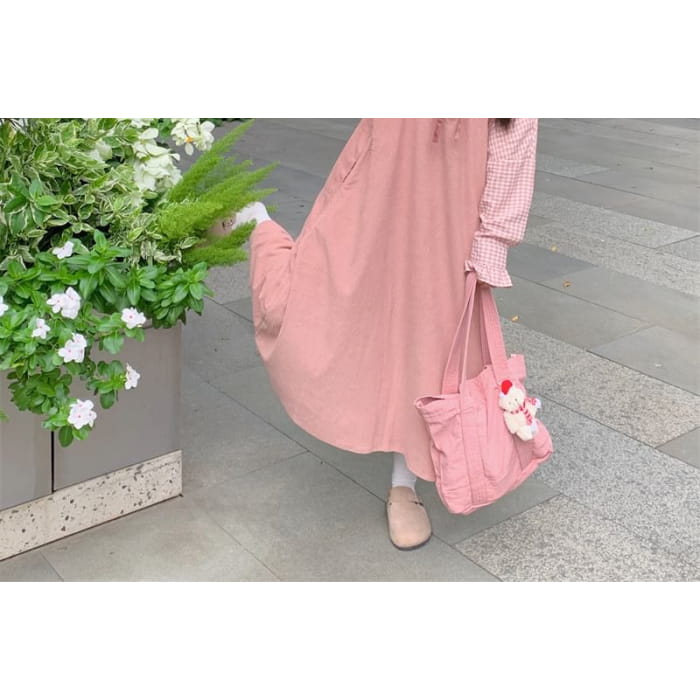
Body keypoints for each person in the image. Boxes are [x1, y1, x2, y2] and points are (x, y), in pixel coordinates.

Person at [236, 118, 538, 551]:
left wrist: (494, 237)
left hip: (455, 203)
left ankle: (403, 484)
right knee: (322, 289)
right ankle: (260, 226)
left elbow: (516, 128)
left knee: (431, 338)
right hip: (380, 179)